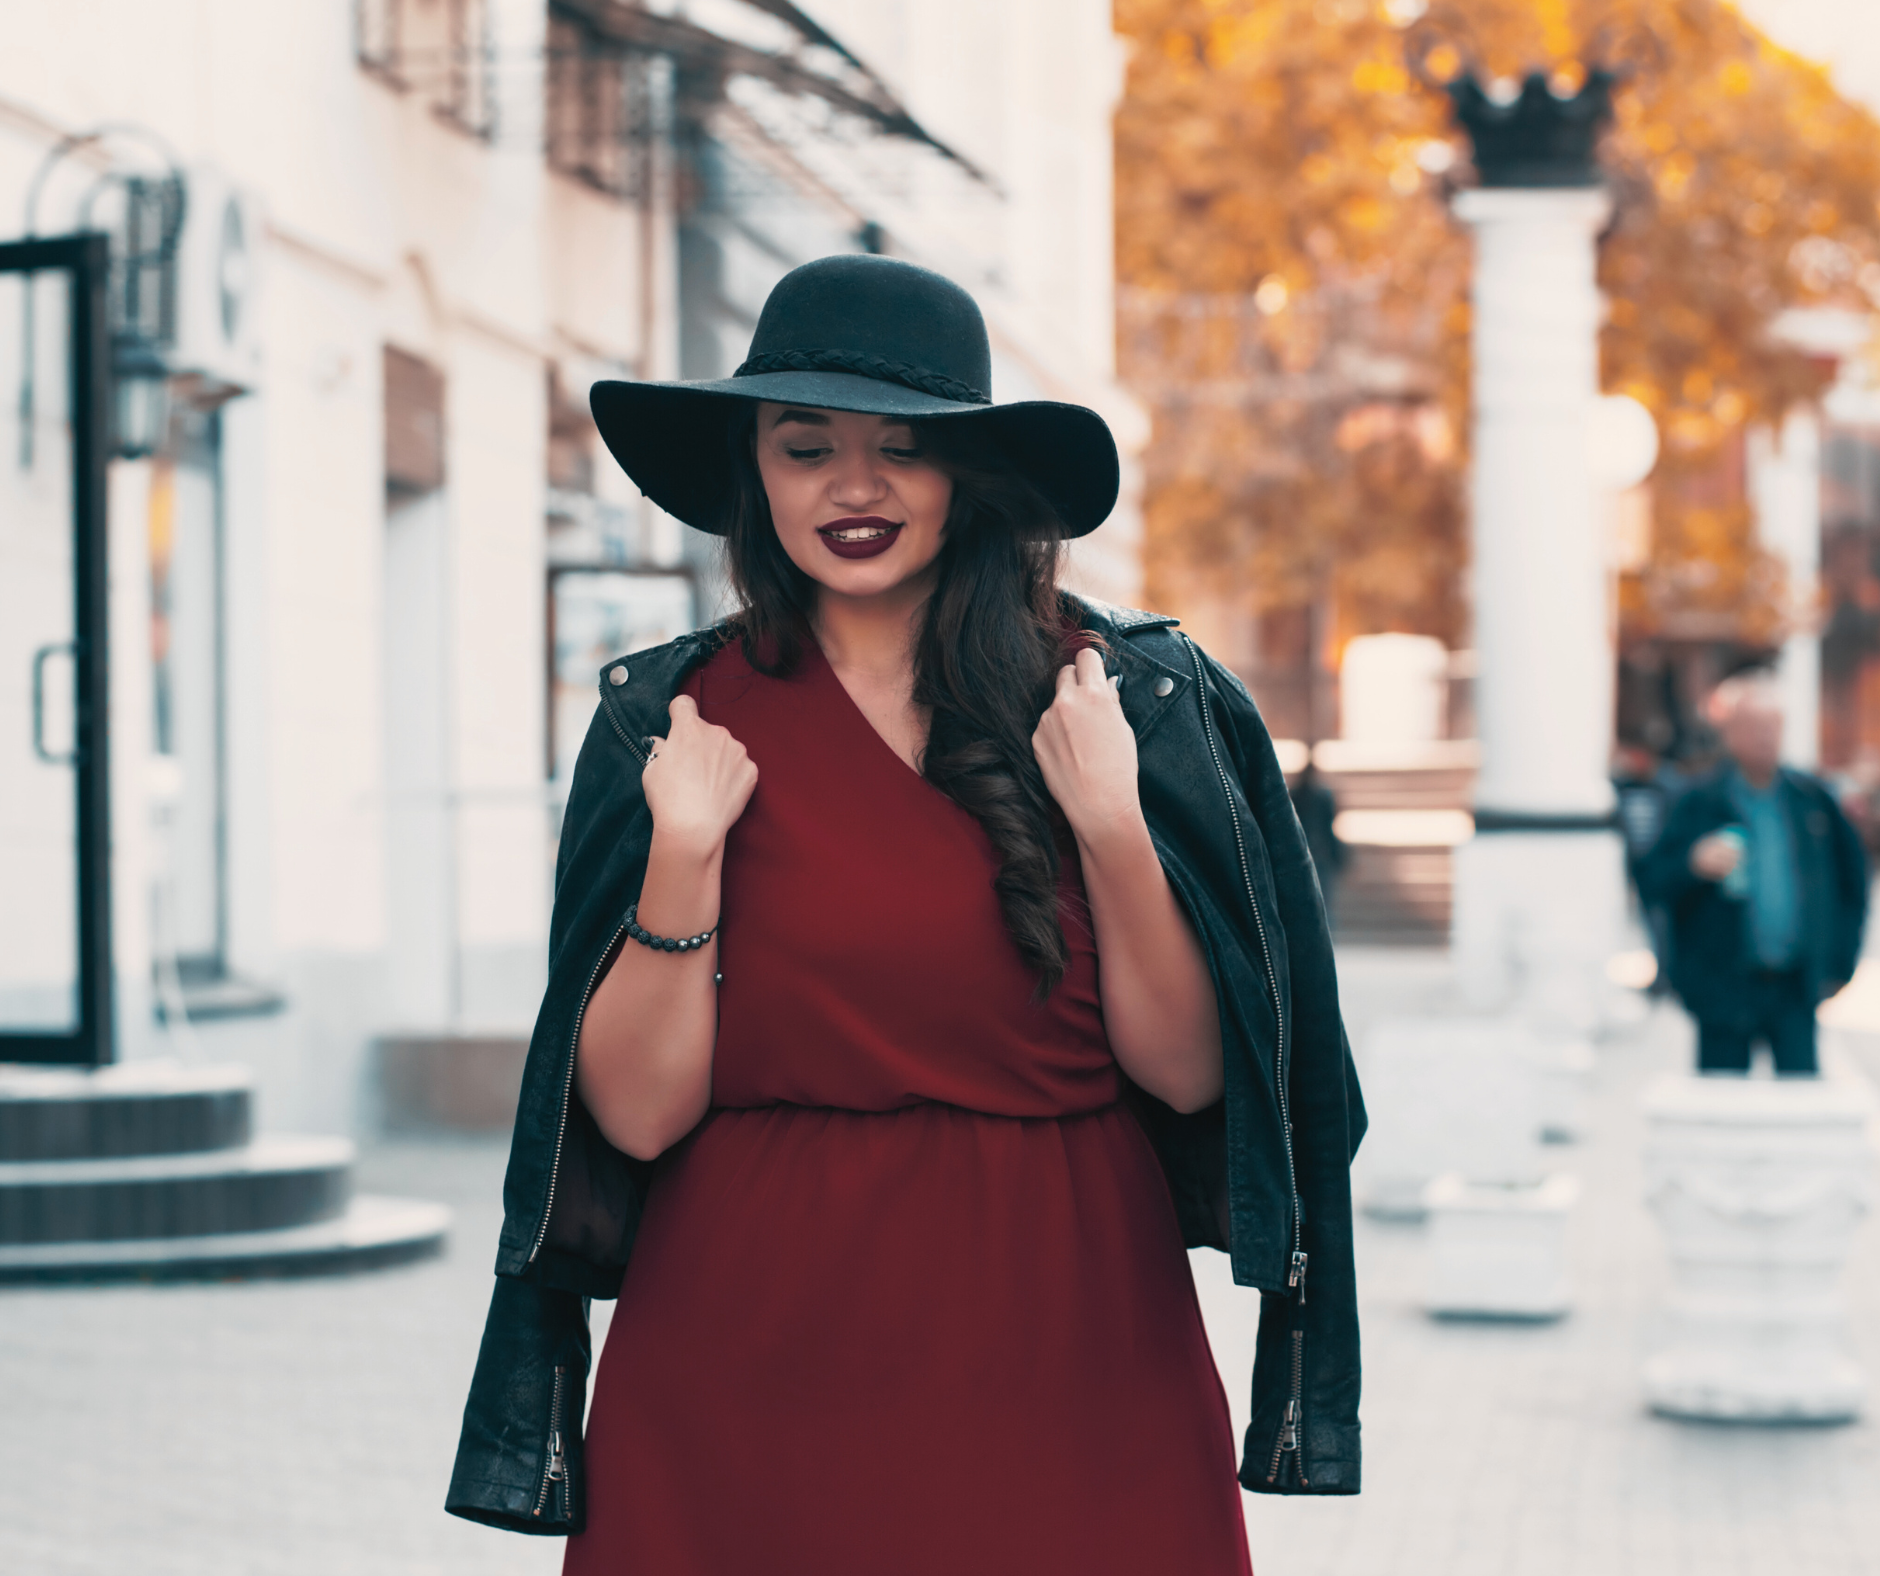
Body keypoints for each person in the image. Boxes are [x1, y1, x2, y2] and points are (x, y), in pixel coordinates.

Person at [446, 254, 1365, 1571]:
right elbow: (635, 1116)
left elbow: (1183, 1071)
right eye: (806, 445)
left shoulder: (1122, 703)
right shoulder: (672, 721)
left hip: (1067, 1346)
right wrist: (683, 859)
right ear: (753, 470)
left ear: (967, 476)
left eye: (902, 450)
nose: (853, 486)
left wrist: (1110, 820)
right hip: (740, 1357)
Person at [1639, 673, 1868, 1076]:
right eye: (1753, 727)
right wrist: (1692, 863)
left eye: (1772, 727)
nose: (1765, 737)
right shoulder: (1697, 801)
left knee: (1799, 1103)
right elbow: (1651, 880)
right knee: (1722, 1107)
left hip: (1795, 986)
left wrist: (1839, 965)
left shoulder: (1811, 799)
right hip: (1723, 987)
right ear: (1728, 734)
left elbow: (1853, 883)